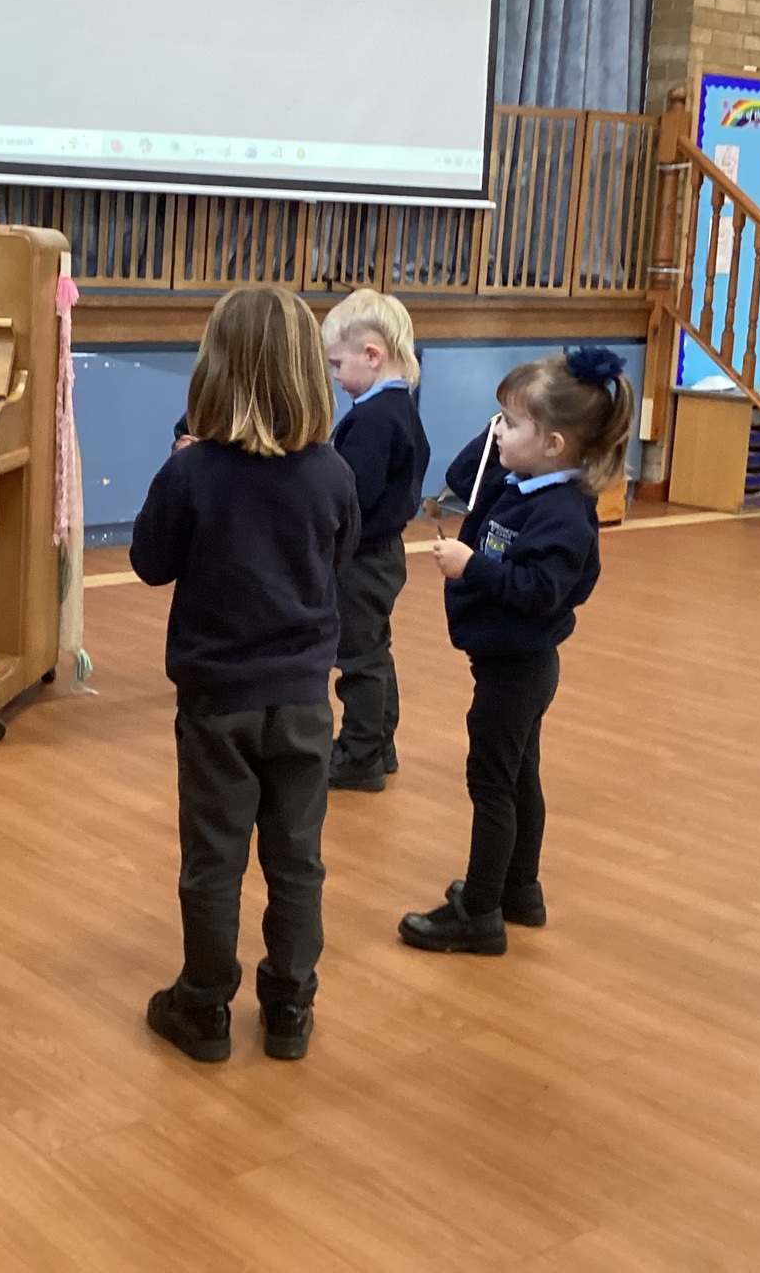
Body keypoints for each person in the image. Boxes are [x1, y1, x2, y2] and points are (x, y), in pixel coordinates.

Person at [130, 287, 360, 1064]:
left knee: (214, 860)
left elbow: (149, 562)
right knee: (297, 861)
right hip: (302, 700)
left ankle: (203, 1008)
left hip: (216, 702)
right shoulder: (332, 473)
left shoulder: (192, 473)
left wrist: (176, 469)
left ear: (215, 372)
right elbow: (338, 558)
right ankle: (290, 1006)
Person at [398, 347, 633, 956]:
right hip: (506, 662)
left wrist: (472, 566)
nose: (498, 432)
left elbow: (539, 591)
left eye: (511, 423)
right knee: (521, 773)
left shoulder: (563, 514)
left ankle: (479, 912)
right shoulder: (518, 481)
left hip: (519, 668)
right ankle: (519, 891)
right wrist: (499, 429)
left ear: (554, 444)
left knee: (493, 785)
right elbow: (463, 474)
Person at [320, 290, 430, 792]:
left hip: (360, 559)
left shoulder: (371, 420)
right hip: (385, 553)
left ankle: (359, 755)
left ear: (371, 355)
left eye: (338, 365)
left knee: (357, 659)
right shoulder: (400, 408)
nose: (335, 377)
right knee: (375, 650)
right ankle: (380, 744)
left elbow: (352, 493)